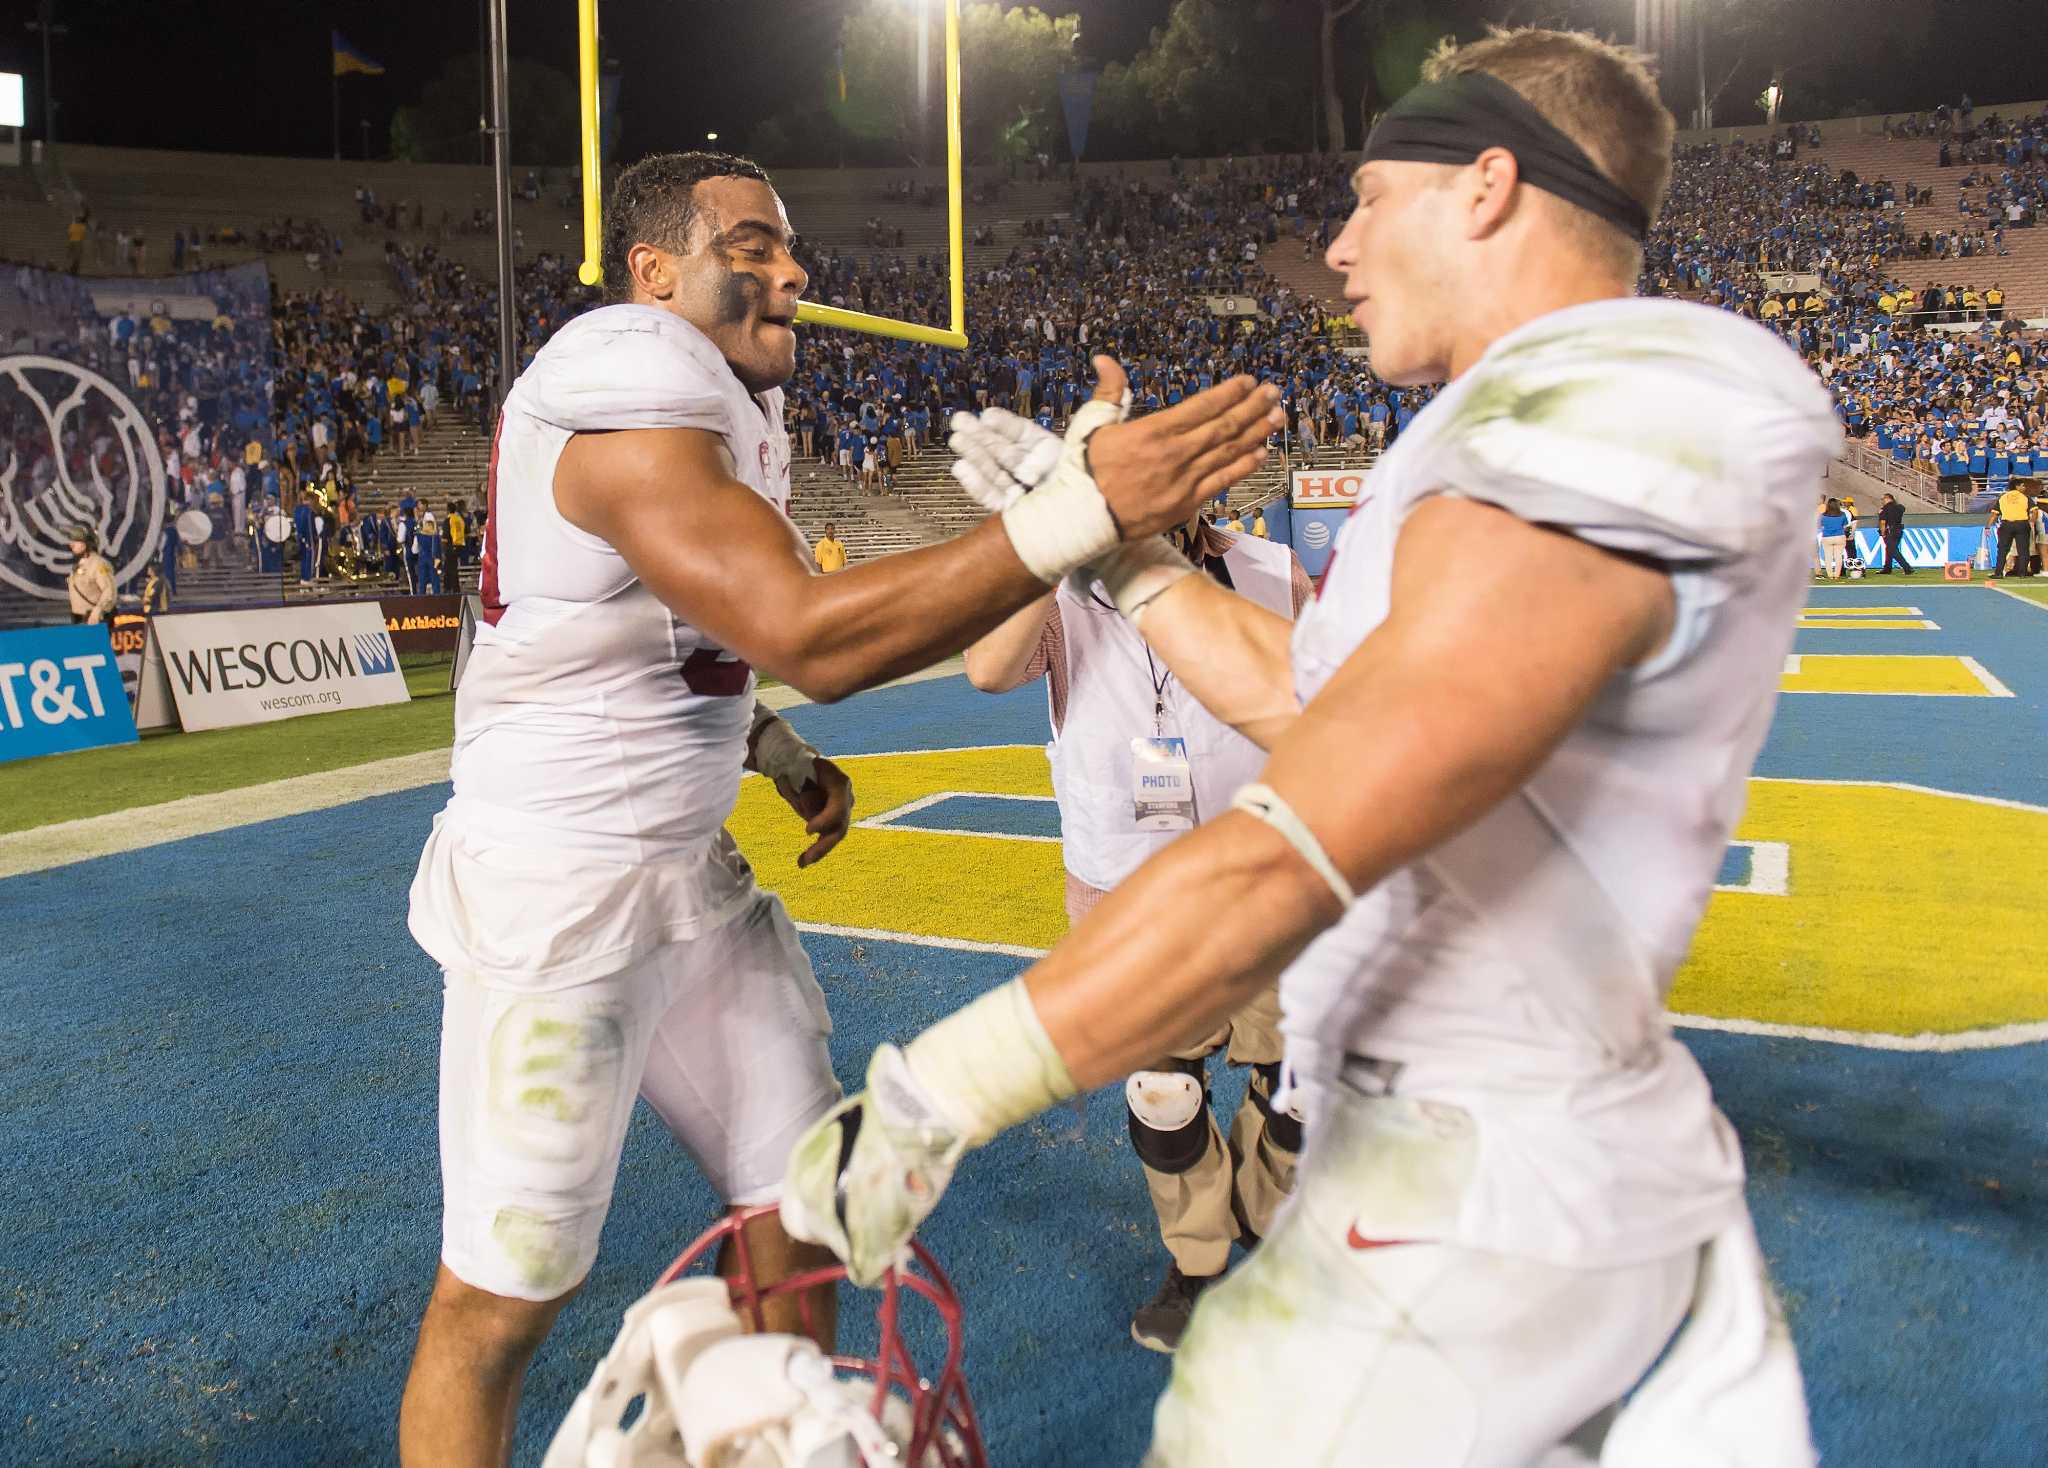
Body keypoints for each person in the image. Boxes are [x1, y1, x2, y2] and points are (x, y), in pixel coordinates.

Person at [787, 30, 1833, 1466]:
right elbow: (1319, 703)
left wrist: (932, 1097)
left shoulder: (1606, 400)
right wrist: (1122, 562)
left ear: (1484, 185)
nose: (1333, 249)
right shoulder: (1508, 426)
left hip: (1483, 1205)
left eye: (1365, 200)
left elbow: (1307, 828)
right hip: (1485, 1173)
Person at [401, 149, 1282, 1468]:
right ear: (652, 276)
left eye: (787, 246)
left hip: (683, 872)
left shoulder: (723, 405)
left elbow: (618, 634)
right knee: (500, 1301)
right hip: (560, 896)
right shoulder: (625, 371)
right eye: (749, 245)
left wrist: (765, 745)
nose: (793, 269)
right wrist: (1073, 515)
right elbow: (800, 626)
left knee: (808, 1208)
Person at [962, 508, 1313, 1353]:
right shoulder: (1059, 595)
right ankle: (1195, 1259)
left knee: (1302, 1089)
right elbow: (987, 671)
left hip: (1268, 879)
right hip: (1133, 899)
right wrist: (1049, 544)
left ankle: (1268, 1223)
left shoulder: (1270, 569)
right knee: (1164, 1096)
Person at [66, 529, 116, 625]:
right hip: (79, 618)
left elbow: (109, 590)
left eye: (76, 541)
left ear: (86, 544)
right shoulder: (80, 563)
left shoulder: (98, 564)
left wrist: (97, 611)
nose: (71, 544)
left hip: (94, 619)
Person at [1992, 478, 2032, 578]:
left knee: (2002, 550)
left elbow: (1994, 514)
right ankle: (2022, 573)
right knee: (2023, 550)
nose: (2024, 487)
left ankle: (1998, 573)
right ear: (2017, 486)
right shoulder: (2025, 497)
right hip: (2022, 524)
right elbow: (2034, 511)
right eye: (2023, 485)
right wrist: (2031, 522)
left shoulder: (2003, 497)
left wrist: (1988, 527)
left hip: (2006, 525)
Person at [1877, 493, 1910, 574]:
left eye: (1883, 499)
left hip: (1890, 531)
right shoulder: (1899, 507)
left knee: (1893, 550)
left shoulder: (1885, 509)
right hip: (1898, 530)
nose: (1882, 501)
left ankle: (1907, 568)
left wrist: (1883, 532)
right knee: (1889, 549)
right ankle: (1887, 568)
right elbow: (1902, 509)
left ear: (1887, 499)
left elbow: (1883, 522)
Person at [1818, 496, 1849, 578]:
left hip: (1827, 537)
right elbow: (1845, 526)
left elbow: (1820, 526)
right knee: (1838, 556)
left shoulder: (1823, 515)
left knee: (1828, 557)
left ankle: (1830, 575)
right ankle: (1837, 575)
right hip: (1840, 536)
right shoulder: (1842, 514)